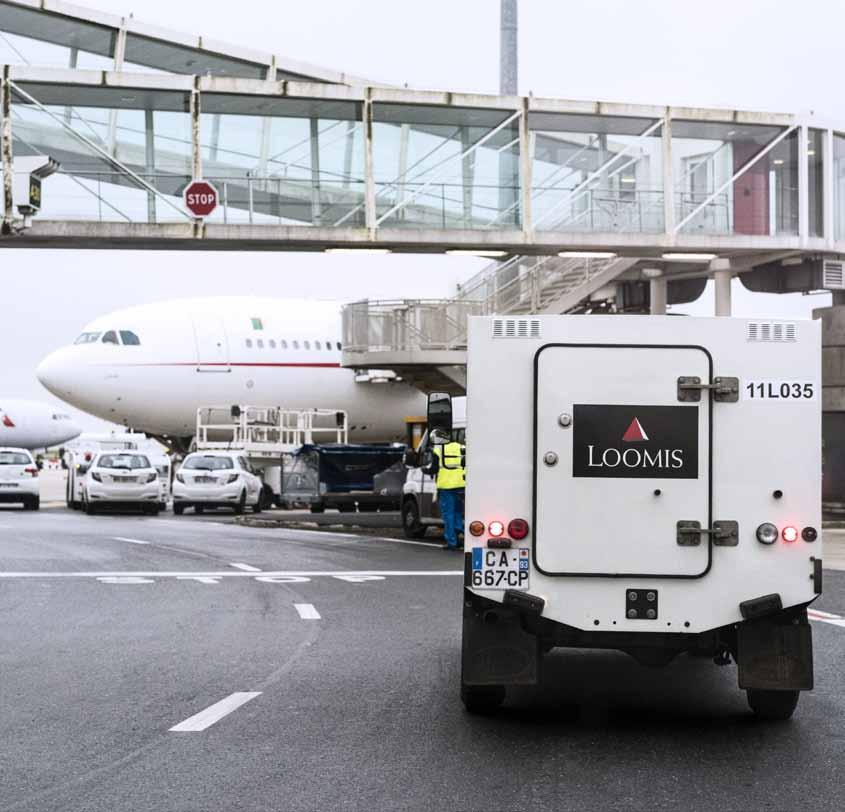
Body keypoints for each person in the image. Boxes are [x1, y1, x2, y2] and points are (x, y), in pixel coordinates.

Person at [427, 430, 466, 551]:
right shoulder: (461, 447)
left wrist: (425, 470)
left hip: (446, 486)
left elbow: (433, 469)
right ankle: (460, 532)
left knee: (448, 513)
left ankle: (452, 541)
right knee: (458, 512)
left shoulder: (438, 450)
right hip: (462, 484)